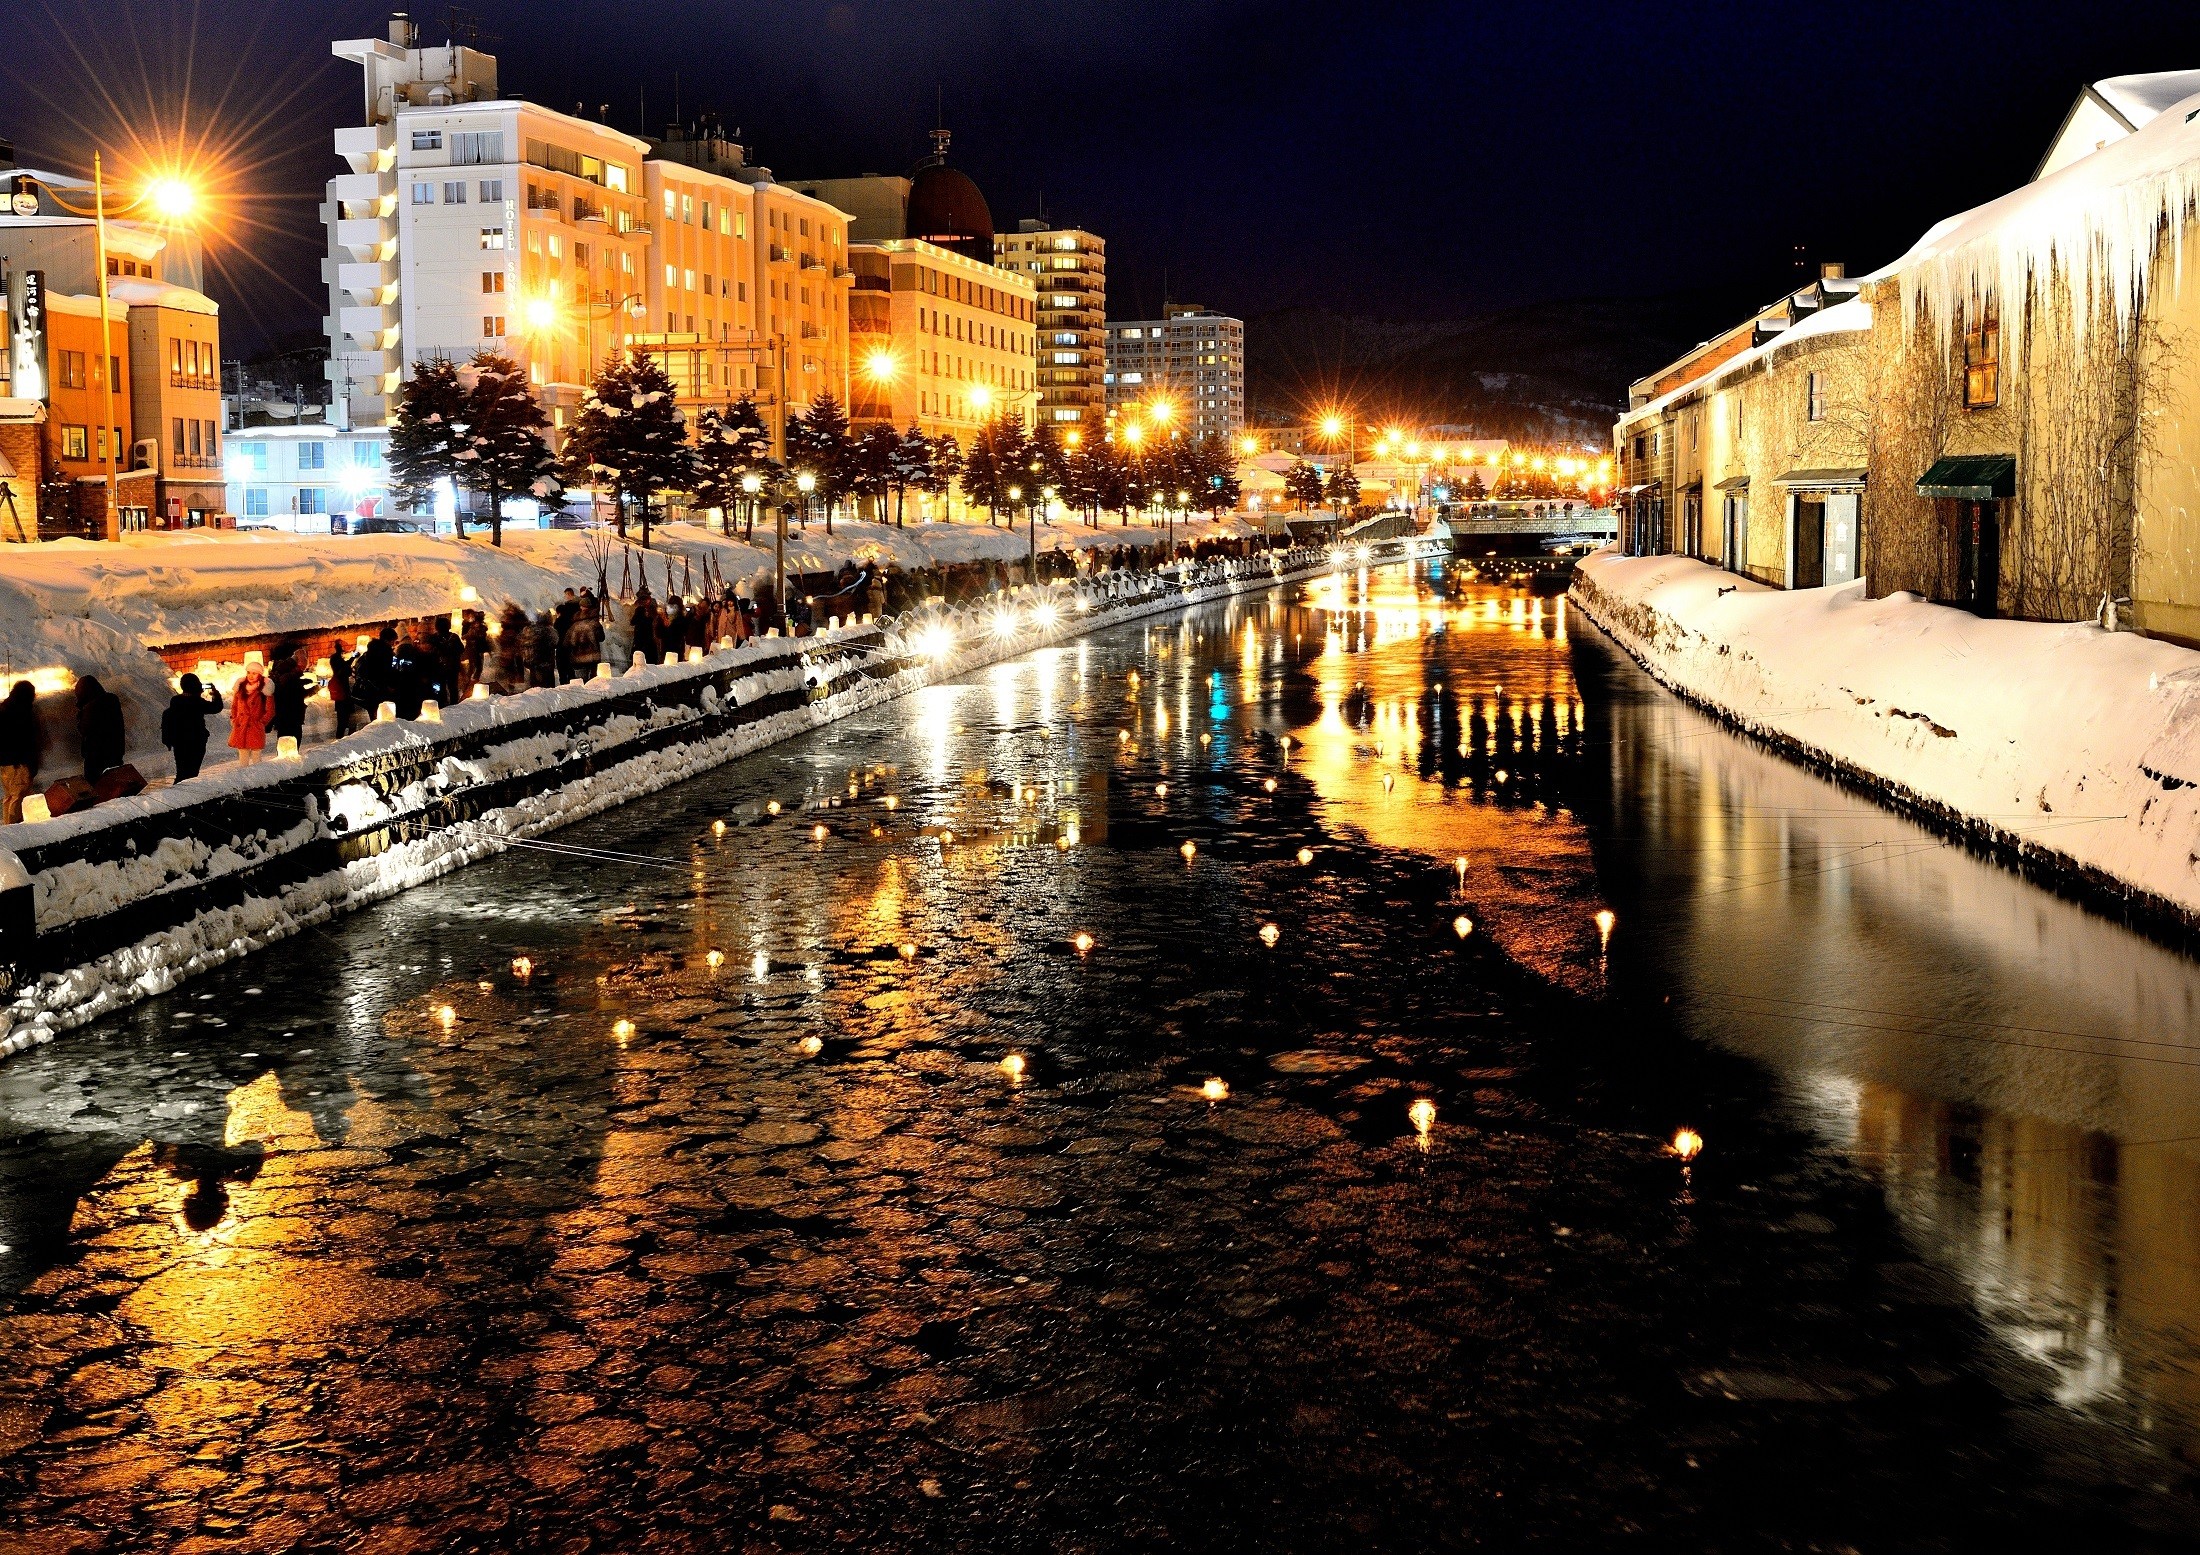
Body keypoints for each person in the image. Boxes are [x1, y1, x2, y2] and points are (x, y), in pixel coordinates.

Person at [161, 673, 223, 783]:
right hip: (196, 742)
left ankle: (178, 792)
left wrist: (169, 740)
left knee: (181, 770)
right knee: (192, 772)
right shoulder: (197, 702)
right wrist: (215, 694)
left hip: (179, 743)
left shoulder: (175, 701)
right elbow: (216, 707)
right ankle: (186, 794)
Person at [0, 679, 40, 823]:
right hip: (19, 763)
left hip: (5, 763)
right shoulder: (21, 712)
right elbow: (26, 740)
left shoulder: (4, 708)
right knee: (18, 797)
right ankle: (14, 827)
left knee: (9, 797)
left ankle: (9, 824)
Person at [75, 676, 124, 783]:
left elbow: (84, 729)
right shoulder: (112, 700)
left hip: (96, 755)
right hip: (115, 750)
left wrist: (80, 713)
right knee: (116, 784)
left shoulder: (91, 707)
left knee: (98, 786)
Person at [228, 664, 272, 766]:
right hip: (241, 725)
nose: (251, 675)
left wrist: (261, 722)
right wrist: (234, 719)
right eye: (248, 672)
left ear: (259, 675)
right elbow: (234, 706)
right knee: (243, 756)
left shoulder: (264, 689)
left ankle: (258, 779)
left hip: (255, 727)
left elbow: (270, 710)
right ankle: (244, 778)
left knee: (256, 758)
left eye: (254, 673)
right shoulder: (240, 688)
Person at [270, 652, 307, 751]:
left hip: (285, 717)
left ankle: (284, 763)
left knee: (285, 742)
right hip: (290, 717)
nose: (302, 670)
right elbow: (294, 695)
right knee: (292, 743)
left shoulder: (283, 675)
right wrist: (313, 688)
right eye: (301, 667)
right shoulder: (289, 679)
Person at [564, 602, 602, 681]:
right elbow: (602, 638)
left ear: (581, 607)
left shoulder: (574, 626)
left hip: (579, 656)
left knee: (581, 679)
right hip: (593, 656)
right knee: (594, 680)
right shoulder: (595, 623)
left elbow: (568, 642)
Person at [327, 643, 355, 735]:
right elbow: (346, 670)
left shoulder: (334, 660)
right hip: (344, 693)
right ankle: (345, 736)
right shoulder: (339, 662)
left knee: (342, 718)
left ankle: (341, 734)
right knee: (346, 718)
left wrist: (352, 658)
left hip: (340, 696)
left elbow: (344, 666)